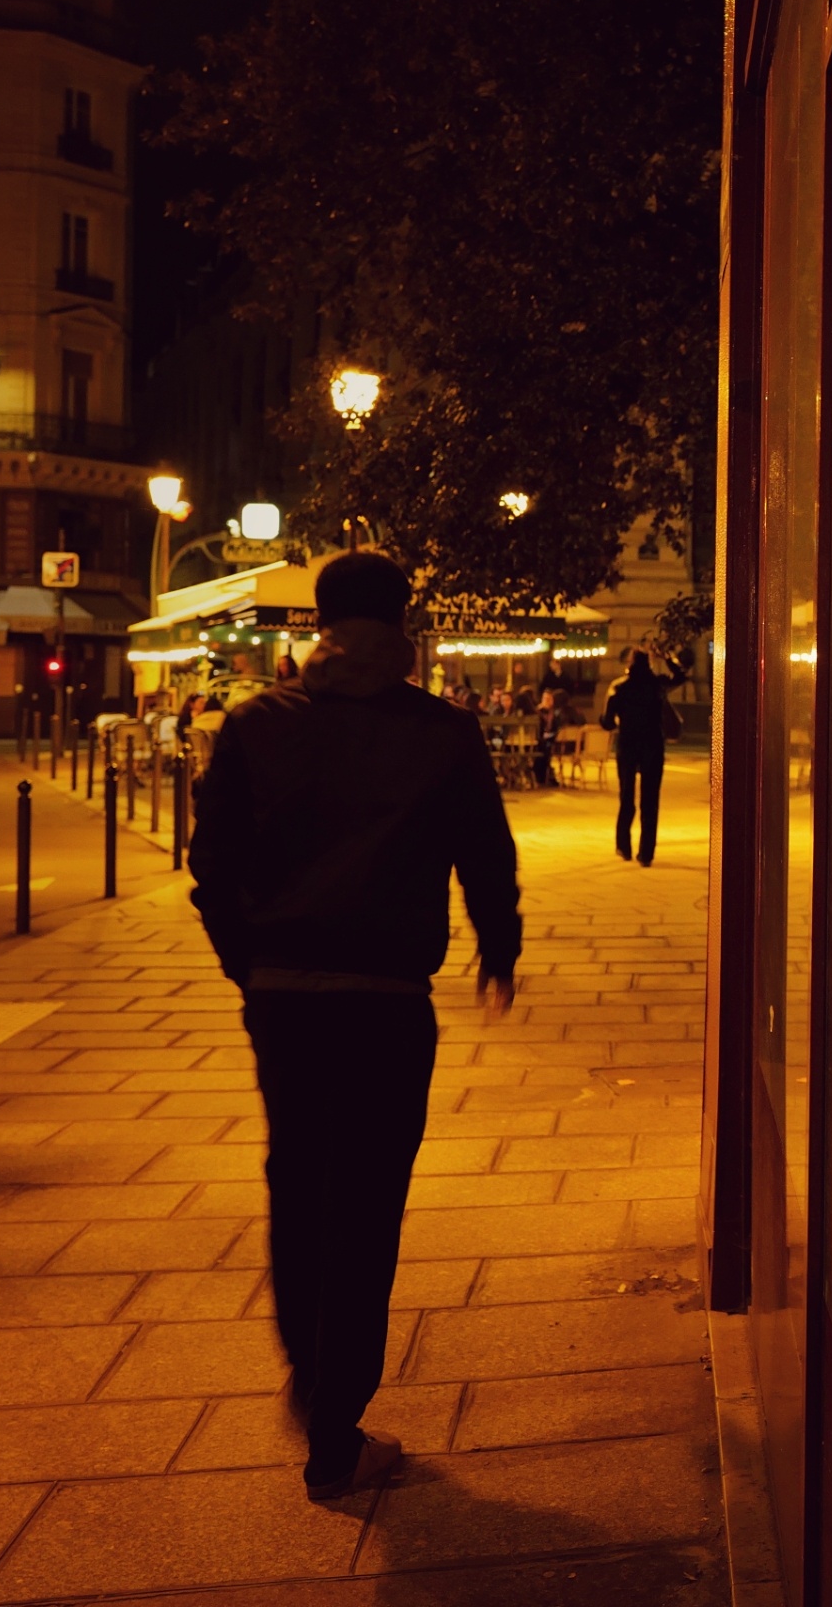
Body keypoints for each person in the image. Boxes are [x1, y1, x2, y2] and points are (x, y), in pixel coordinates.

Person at [186, 551, 521, 1502]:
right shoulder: (442, 731)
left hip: (285, 994)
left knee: (295, 1178)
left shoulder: (255, 724)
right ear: (403, 626)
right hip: (385, 999)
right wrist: (499, 948)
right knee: (368, 1200)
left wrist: (246, 965)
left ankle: (306, 1365)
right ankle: (338, 1429)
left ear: (319, 625)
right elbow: (483, 853)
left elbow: (212, 865)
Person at [601, 648, 682, 865]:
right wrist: (669, 658)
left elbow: (608, 723)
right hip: (653, 745)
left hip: (627, 746)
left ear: (630, 663)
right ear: (649, 663)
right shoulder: (657, 685)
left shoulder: (620, 688)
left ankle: (623, 846)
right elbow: (681, 676)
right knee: (650, 800)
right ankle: (646, 853)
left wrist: (610, 718)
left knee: (626, 797)